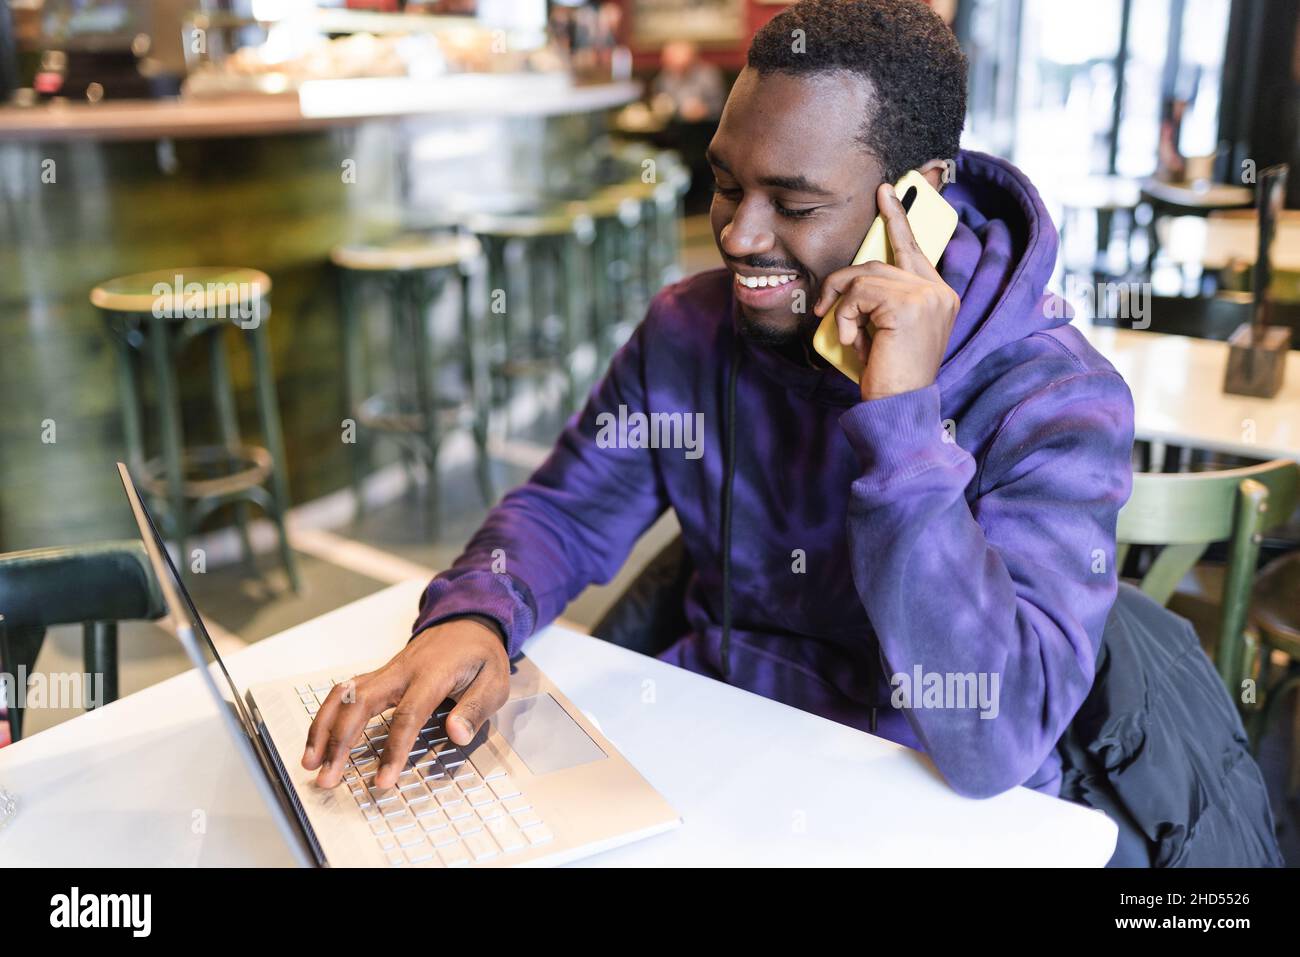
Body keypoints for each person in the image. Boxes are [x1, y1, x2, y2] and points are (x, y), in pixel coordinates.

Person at [303, 0, 1135, 806]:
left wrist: (905, 427)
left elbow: (996, 738)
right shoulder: (691, 329)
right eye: (728, 185)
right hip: (709, 745)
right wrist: (475, 614)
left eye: (796, 204)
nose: (737, 235)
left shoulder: (1057, 400)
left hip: (922, 799)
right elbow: (567, 511)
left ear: (916, 200)